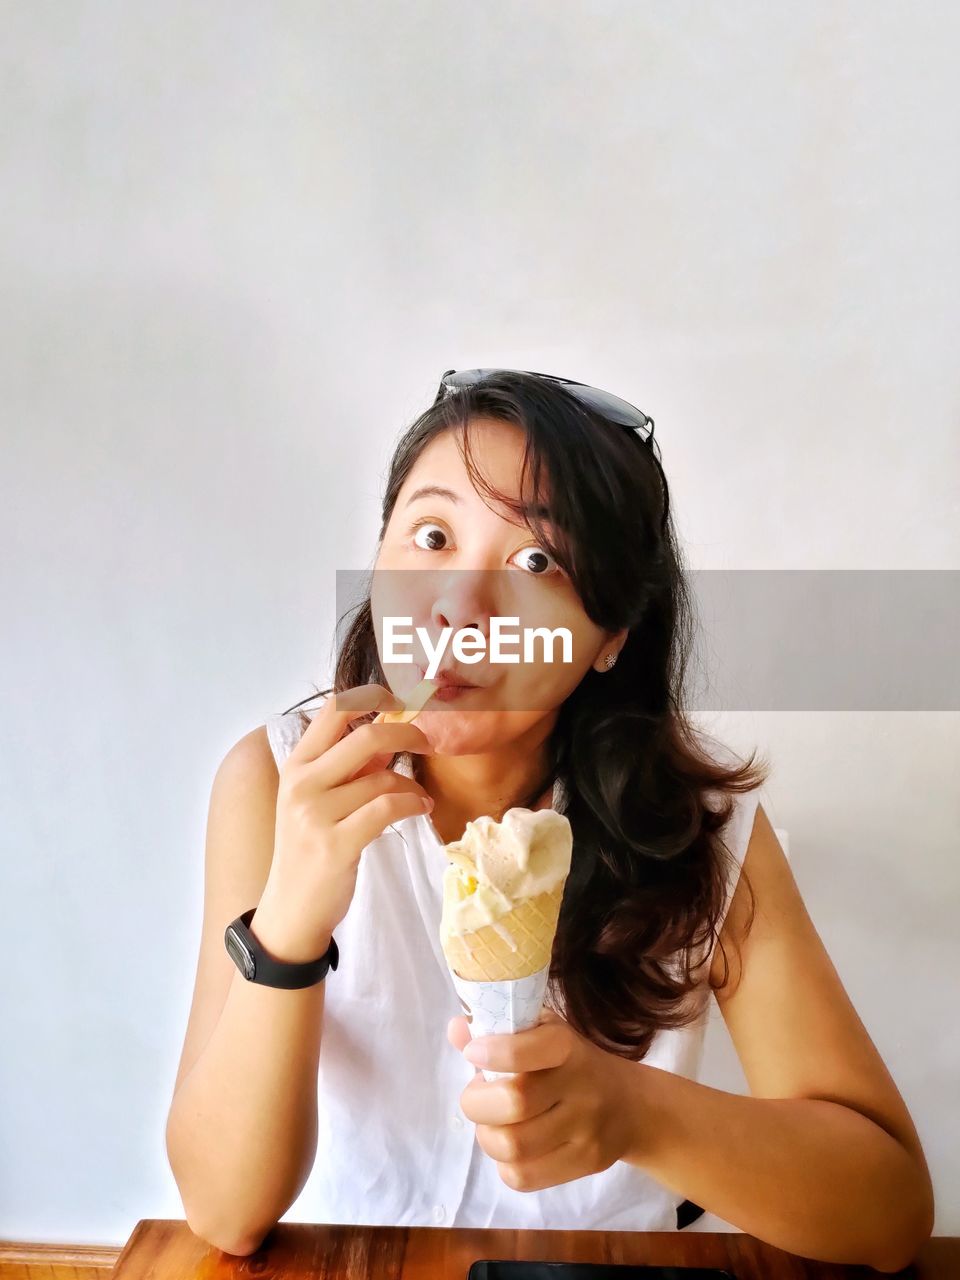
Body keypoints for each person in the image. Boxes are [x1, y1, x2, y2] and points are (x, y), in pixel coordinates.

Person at [165, 369, 934, 1269]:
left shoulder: (701, 837)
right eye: (433, 535)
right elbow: (225, 1212)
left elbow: (887, 1213)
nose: (460, 607)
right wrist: (289, 922)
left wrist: (637, 1111)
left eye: (537, 562)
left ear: (614, 636)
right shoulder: (273, 780)